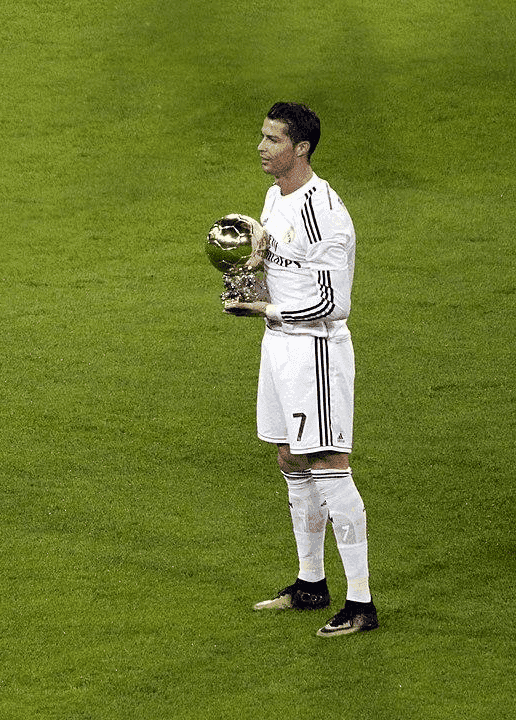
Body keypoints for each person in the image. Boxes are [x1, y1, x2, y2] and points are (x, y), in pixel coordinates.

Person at [224, 102, 378, 637]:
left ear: (301, 149)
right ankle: (311, 583)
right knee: (290, 457)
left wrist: (264, 308)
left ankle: (361, 602)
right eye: (262, 137)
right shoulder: (274, 196)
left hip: (315, 349)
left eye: (272, 140)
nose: (262, 148)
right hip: (278, 348)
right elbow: (281, 268)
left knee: (330, 466)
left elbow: (334, 303)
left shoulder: (327, 216)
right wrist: (250, 276)